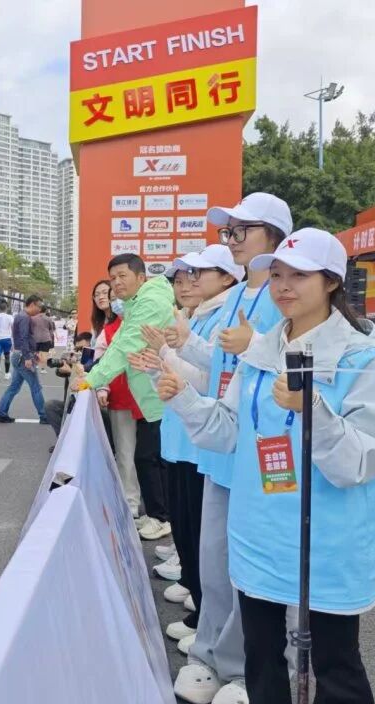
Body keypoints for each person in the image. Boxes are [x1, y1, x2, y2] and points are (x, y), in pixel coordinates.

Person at [160, 228, 375, 704]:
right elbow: (229, 431)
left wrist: (312, 409)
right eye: (276, 275)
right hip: (261, 532)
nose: (284, 286)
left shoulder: (360, 359)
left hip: (325, 539)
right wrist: (183, 398)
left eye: (299, 275)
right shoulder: (260, 353)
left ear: (332, 282)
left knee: (336, 667)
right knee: (261, 659)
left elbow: (365, 458)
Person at [155, 192, 293, 704]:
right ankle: (211, 654)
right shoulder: (239, 297)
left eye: (240, 231)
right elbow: (221, 361)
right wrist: (182, 344)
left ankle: (244, 669)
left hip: (262, 454)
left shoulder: (280, 298)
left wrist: (245, 346)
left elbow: (285, 363)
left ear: (275, 236)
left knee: (251, 569)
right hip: (221, 442)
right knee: (214, 561)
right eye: (227, 232)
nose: (231, 241)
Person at [131, 245, 243, 651]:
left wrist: (165, 355)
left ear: (228, 276)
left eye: (196, 275)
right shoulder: (198, 316)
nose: (186, 283)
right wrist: (161, 359)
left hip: (205, 440)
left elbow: (208, 377)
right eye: (180, 278)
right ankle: (200, 603)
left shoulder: (226, 318)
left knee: (203, 537)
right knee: (189, 528)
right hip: (187, 435)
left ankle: (206, 616)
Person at [76, 254, 175, 540]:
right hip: (152, 397)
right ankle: (161, 517)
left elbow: (125, 346)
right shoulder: (135, 304)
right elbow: (119, 342)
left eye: (122, 276)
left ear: (141, 277)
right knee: (150, 458)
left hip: (163, 394)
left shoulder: (150, 303)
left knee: (152, 459)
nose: (116, 283)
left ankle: (163, 518)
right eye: (112, 278)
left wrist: (91, 380)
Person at [89, 279, 156, 538]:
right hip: (121, 397)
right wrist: (101, 387)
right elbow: (101, 363)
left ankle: (156, 510)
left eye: (112, 294)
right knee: (127, 454)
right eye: (104, 295)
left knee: (150, 457)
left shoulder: (146, 321)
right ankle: (131, 505)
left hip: (150, 399)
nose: (111, 299)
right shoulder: (108, 330)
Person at [0, 295, 49, 424]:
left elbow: (23, 338)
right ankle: (44, 415)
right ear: (32, 304)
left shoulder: (21, 316)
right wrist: (28, 357)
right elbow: (24, 338)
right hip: (23, 357)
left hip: (18, 355)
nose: (40, 309)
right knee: (36, 387)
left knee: (14, 387)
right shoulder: (25, 318)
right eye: (39, 306)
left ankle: (1, 413)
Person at [43, 332, 95, 436]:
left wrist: (72, 372)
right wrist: (63, 368)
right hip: (71, 403)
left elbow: (89, 382)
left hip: (88, 405)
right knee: (50, 406)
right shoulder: (75, 360)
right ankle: (62, 439)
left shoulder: (94, 361)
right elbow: (59, 372)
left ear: (90, 345)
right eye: (77, 349)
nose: (79, 352)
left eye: (82, 349)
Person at [31, 308, 54, 372]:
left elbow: (31, 329)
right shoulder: (48, 319)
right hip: (46, 338)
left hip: (35, 338)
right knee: (44, 354)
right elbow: (51, 330)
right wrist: (51, 338)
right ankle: (43, 369)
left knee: (35, 353)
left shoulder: (33, 318)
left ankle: (35, 365)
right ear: (45, 311)